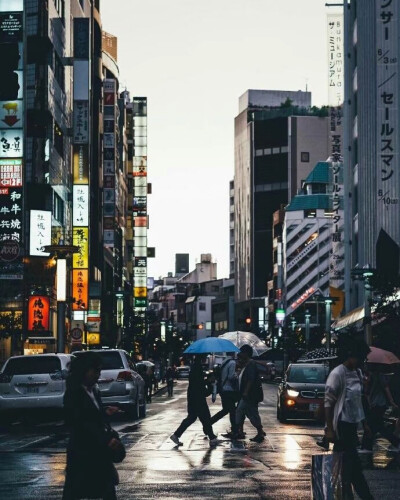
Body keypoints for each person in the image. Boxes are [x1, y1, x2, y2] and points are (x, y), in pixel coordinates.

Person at [63, 352, 121, 500]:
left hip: (97, 454)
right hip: (83, 454)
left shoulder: (93, 391)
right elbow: (79, 422)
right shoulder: (74, 393)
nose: (97, 375)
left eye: (99, 371)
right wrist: (106, 440)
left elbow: (92, 416)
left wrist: (104, 413)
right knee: (77, 491)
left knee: (105, 490)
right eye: (95, 371)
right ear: (84, 370)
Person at [324, 336, 374, 500]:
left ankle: (345, 496)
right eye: (361, 358)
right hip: (341, 427)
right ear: (352, 355)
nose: (363, 361)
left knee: (346, 468)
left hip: (352, 426)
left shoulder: (357, 373)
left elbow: (358, 401)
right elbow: (328, 403)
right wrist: (330, 429)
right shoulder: (337, 373)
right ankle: (365, 497)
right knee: (352, 466)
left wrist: (364, 424)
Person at [170, 356, 218, 447]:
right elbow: (199, 385)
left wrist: (207, 382)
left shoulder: (195, 367)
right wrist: (208, 382)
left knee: (192, 418)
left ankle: (176, 435)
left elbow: (198, 383)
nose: (205, 358)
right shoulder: (198, 368)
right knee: (205, 417)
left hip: (193, 397)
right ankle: (212, 438)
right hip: (198, 398)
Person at [232, 345, 265, 443]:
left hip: (250, 395)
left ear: (246, 353)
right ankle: (259, 432)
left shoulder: (251, 364)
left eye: (241, 352)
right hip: (247, 395)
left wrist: (246, 392)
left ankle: (238, 431)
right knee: (251, 413)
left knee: (240, 411)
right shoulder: (246, 364)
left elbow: (250, 380)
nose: (239, 354)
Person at [361, 371, 400, 452]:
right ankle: (366, 446)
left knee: (375, 425)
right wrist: (366, 384)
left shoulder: (379, 375)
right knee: (376, 425)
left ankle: (366, 446)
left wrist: (392, 402)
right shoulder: (369, 376)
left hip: (379, 404)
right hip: (374, 404)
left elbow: (386, 388)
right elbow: (367, 392)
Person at [210, 353, 238, 436]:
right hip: (229, 390)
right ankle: (209, 423)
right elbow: (231, 377)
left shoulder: (224, 362)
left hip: (223, 390)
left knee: (227, 410)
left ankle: (234, 430)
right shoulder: (232, 363)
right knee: (231, 411)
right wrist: (237, 375)